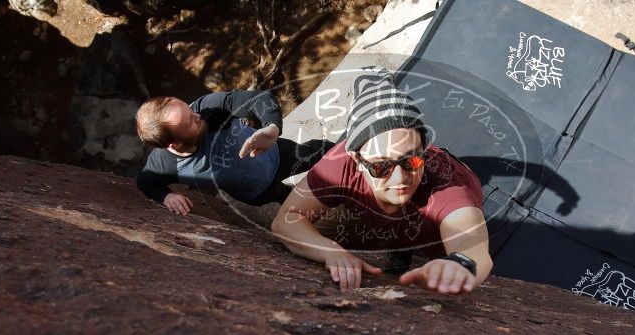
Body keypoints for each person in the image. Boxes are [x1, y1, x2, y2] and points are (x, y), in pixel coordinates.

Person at [271, 69, 493, 295]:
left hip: (429, 228)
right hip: (373, 214)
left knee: (444, 278)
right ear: (356, 159)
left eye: (412, 160)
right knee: (319, 234)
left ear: (425, 151)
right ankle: (398, 247)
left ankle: (403, 249)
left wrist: (459, 265)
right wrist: (331, 251)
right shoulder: (339, 163)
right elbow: (285, 221)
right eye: (380, 166)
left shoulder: (448, 185)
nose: (400, 179)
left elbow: (471, 247)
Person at [135, 89, 329, 215]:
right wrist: (166, 196)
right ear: (174, 144)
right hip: (257, 191)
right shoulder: (164, 165)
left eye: (189, 109)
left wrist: (272, 127)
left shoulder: (208, 109)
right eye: (189, 121)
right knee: (289, 197)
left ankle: (352, 148)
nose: (197, 115)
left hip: (276, 153)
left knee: (321, 153)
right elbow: (145, 182)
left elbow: (258, 98)